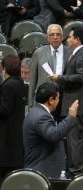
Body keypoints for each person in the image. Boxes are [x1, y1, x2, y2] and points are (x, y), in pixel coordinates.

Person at [0, 55, 26, 182]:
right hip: (14, 138)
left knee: (5, 178)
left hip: (5, 139)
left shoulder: (8, 85)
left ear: (5, 69)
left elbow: (4, 110)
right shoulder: (19, 82)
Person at [23, 82, 78, 178]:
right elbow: (53, 135)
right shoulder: (41, 116)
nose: (58, 101)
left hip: (43, 171)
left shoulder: (36, 112)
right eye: (58, 98)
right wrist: (71, 117)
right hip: (42, 173)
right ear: (51, 100)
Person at [50, 27, 83, 176]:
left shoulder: (81, 54)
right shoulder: (75, 53)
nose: (67, 39)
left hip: (76, 105)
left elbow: (81, 76)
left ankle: (76, 173)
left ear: (77, 39)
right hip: (74, 103)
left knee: (74, 140)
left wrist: (60, 78)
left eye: (69, 37)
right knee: (74, 140)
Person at [29, 24, 69, 108]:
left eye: (58, 34)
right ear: (47, 38)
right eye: (52, 34)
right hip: (44, 99)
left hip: (64, 98)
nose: (55, 37)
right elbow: (32, 81)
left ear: (62, 37)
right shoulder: (38, 53)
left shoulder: (70, 52)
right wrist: (31, 104)